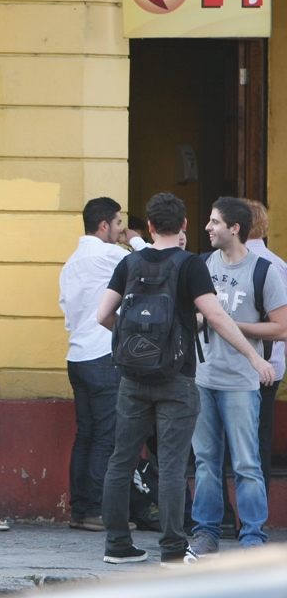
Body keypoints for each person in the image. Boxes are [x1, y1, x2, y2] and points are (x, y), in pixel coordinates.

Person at [95, 193, 274, 568]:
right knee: (174, 465)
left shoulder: (129, 263)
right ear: (183, 226)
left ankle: (117, 545)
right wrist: (254, 356)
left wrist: (137, 346)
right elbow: (218, 318)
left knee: (121, 460)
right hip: (177, 379)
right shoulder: (191, 265)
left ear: (149, 226)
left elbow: (103, 316)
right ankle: (173, 550)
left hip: (132, 378)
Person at [185, 197, 284, 558]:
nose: (208, 228)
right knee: (206, 460)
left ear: (234, 228)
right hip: (202, 376)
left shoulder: (263, 271)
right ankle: (206, 533)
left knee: (246, 461)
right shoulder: (200, 265)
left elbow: (282, 328)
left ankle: (253, 537)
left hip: (242, 379)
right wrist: (200, 319)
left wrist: (226, 323)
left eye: (214, 222)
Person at [58, 197, 146, 531]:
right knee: (106, 437)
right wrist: (135, 238)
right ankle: (96, 510)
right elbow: (150, 261)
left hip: (76, 357)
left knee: (86, 435)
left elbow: (67, 312)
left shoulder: (71, 264)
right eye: (119, 224)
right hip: (103, 356)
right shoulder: (110, 254)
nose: (121, 230)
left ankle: (80, 509)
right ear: (104, 225)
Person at [239, 199, 285, 492]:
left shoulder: (232, 265)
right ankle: (257, 511)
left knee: (230, 442)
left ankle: (228, 515)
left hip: (235, 365)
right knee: (260, 438)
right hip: (272, 365)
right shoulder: (280, 265)